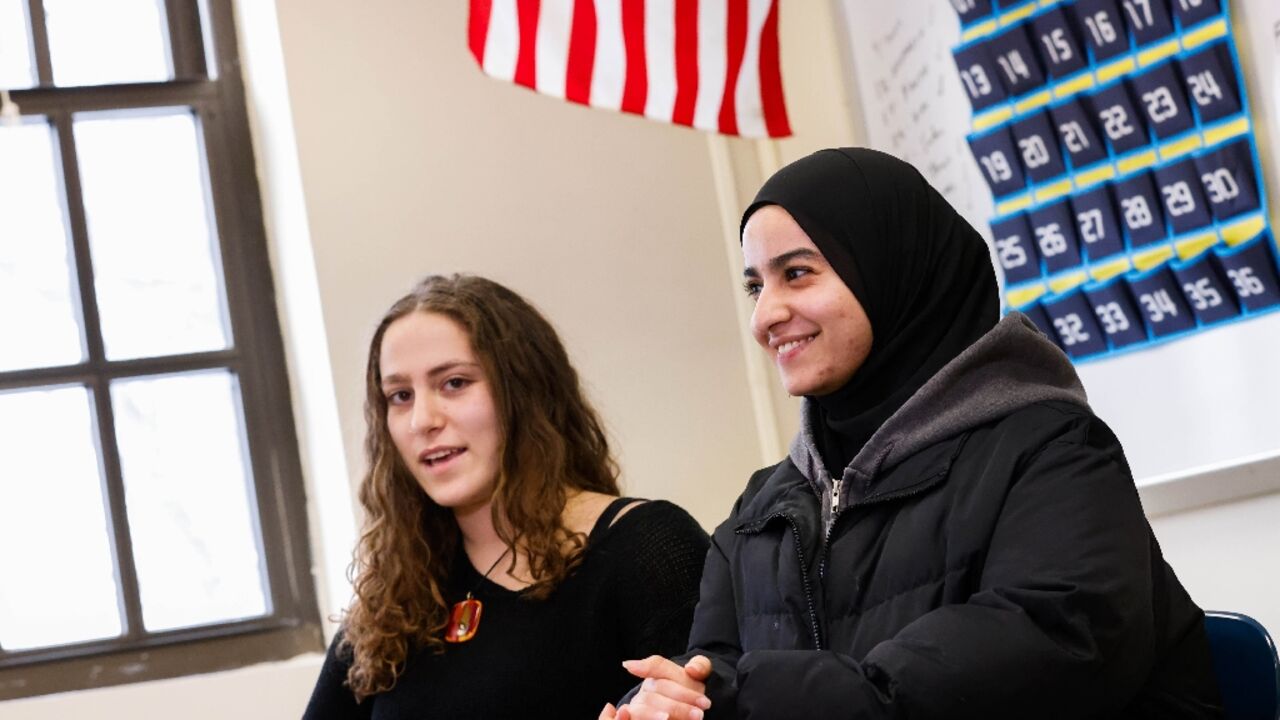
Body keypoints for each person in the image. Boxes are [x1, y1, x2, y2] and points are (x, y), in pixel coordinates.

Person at [605, 148, 1222, 719]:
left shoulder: (1052, 452)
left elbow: (1047, 650)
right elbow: (711, 673)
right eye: (755, 285)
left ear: (891, 273)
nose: (765, 315)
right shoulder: (759, 514)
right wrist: (663, 704)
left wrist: (748, 699)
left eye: (797, 273)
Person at [304, 274, 709, 719]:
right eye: (400, 395)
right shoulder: (396, 596)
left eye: (454, 383)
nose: (422, 419)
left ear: (524, 393)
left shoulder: (647, 549)